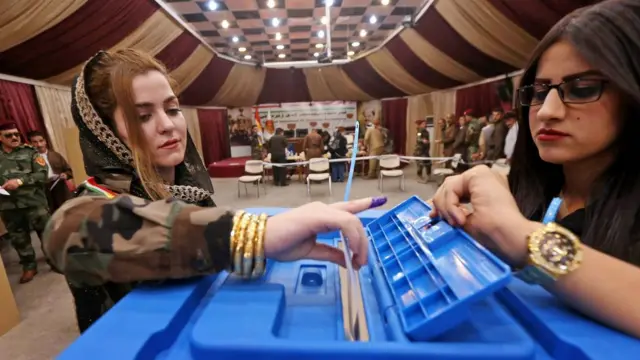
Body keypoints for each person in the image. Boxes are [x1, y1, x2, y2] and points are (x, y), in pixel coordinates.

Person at [43, 49, 386, 333]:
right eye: (143, 116)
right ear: (104, 132)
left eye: (172, 108)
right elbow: (65, 234)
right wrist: (254, 234)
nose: (167, 124)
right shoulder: (92, 201)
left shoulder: (186, 191)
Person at [431, 0, 640, 338]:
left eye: (582, 89)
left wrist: (518, 237)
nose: (547, 111)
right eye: (538, 92)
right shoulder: (522, 194)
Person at [0, 123, 51, 283]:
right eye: (8, 135)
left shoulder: (30, 152)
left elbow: (42, 175)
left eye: (16, 134)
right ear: (0, 138)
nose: (14, 137)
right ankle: (29, 266)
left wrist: (20, 181)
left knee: (47, 233)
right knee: (18, 238)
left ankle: (54, 261)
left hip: (34, 202)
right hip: (9, 206)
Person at [27, 130, 73, 213]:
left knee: (68, 212)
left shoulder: (56, 155)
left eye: (41, 141)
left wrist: (65, 175)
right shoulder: (29, 160)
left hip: (60, 188)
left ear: (45, 141)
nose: (39, 145)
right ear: (30, 144)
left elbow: (68, 171)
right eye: (35, 142)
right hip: (43, 191)